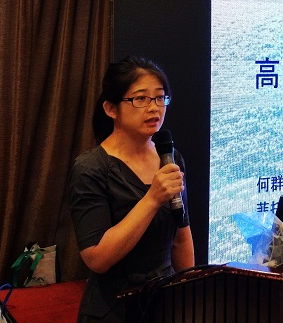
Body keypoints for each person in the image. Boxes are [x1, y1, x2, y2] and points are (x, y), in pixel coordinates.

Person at [68, 56, 194, 322]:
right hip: (114, 308)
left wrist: (190, 294)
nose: (154, 108)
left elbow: (181, 237)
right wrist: (152, 199)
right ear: (111, 109)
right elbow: (97, 258)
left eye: (159, 98)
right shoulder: (91, 168)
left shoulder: (171, 158)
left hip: (164, 300)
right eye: (140, 99)